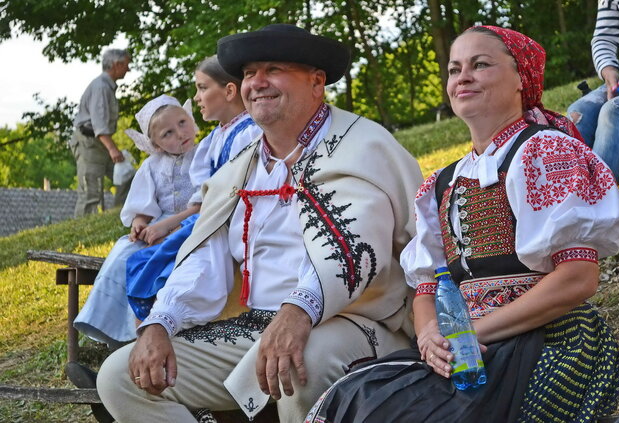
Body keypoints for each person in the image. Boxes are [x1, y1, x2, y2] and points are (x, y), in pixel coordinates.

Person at [96, 23, 424, 423]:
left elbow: (355, 247)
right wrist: (161, 322)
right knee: (121, 375)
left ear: (317, 81)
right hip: (258, 327)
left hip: (360, 324)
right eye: (250, 73)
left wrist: (298, 311)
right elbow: (205, 258)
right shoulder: (239, 168)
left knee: (298, 364)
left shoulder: (361, 146)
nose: (257, 83)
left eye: (274, 69)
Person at [306, 25, 619, 423]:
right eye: (454, 69)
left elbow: (578, 278)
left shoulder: (544, 152)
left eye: (481, 65)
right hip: (470, 348)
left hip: (553, 340)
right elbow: (426, 285)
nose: (463, 77)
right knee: (354, 398)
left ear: (520, 80)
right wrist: (428, 338)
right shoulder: (444, 182)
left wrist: (475, 332)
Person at [125, 55, 262, 320]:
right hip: (207, 218)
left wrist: (173, 224)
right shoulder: (215, 137)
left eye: (202, 87)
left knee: (162, 266)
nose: (196, 98)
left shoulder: (249, 133)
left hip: (224, 222)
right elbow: (202, 196)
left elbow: (228, 197)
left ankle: (164, 334)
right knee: (142, 261)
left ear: (229, 91)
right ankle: (146, 340)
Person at [73, 95, 200, 350]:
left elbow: (204, 203)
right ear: (156, 144)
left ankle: (142, 336)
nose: (180, 134)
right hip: (158, 225)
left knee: (158, 261)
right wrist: (140, 223)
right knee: (124, 253)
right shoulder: (152, 166)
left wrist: (168, 227)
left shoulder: (204, 155)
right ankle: (111, 331)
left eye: (183, 123)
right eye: (168, 133)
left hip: (191, 224)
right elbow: (144, 204)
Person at [566, 0, 619, 184]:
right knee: (579, 113)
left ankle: (600, 205)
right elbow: (603, 38)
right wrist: (609, 70)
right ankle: (570, 200)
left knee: (614, 110)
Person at [69, 48, 133, 217]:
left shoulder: (107, 86)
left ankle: (120, 216)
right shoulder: (101, 87)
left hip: (100, 143)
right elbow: (99, 125)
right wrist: (113, 149)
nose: (128, 69)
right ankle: (81, 234)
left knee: (127, 177)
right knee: (91, 192)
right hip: (89, 144)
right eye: (126, 65)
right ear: (116, 64)